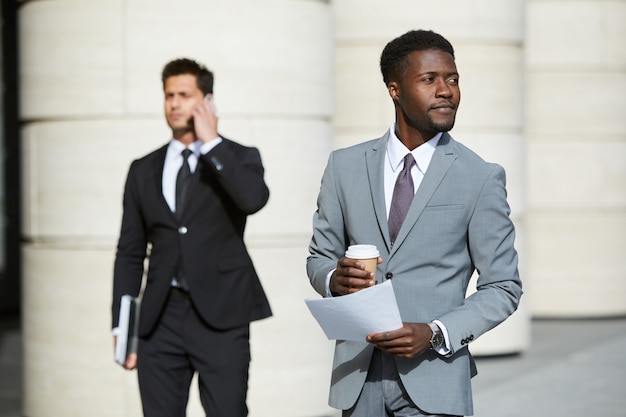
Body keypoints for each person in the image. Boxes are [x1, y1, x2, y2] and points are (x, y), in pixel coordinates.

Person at [306, 30, 522, 417]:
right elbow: (319, 257)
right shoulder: (344, 167)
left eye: (452, 79)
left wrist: (436, 331)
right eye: (429, 79)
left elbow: (504, 286)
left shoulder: (481, 177)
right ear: (394, 89)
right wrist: (334, 280)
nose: (446, 90)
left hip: (435, 381)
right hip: (358, 378)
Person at [111, 58, 271, 417]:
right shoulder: (143, 169)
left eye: (185, 94)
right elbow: (130, 252)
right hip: (159, 319)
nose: (174, 103)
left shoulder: (238, 157)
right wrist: (123, 325)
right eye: (169, 95)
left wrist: (211, 141)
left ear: (207, 100)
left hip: (222, 316)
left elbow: (253, 199)